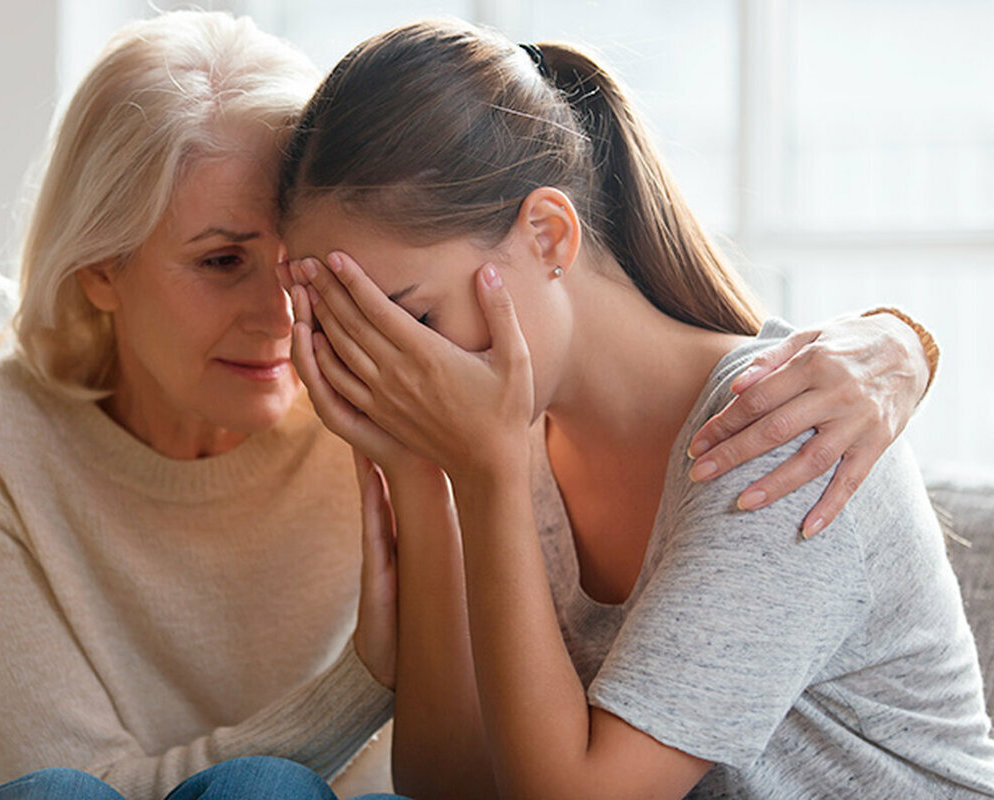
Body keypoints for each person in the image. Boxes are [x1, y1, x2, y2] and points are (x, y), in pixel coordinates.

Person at [0, 10, 938, 800]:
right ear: (100, 271)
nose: (309, 335)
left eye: (388, 309)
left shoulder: (759, 430)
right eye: (225, 263)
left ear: (550, 238)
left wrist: (903, 339)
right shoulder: (481, 417)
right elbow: (450, 783)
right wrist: (432, 483)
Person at [279, 19, 994, 800]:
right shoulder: (508, 435)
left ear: (549, 235)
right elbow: (449, 784)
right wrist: (418, 471)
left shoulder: (775, 427)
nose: (396, 372)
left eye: (410, 321)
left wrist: (481, 478)